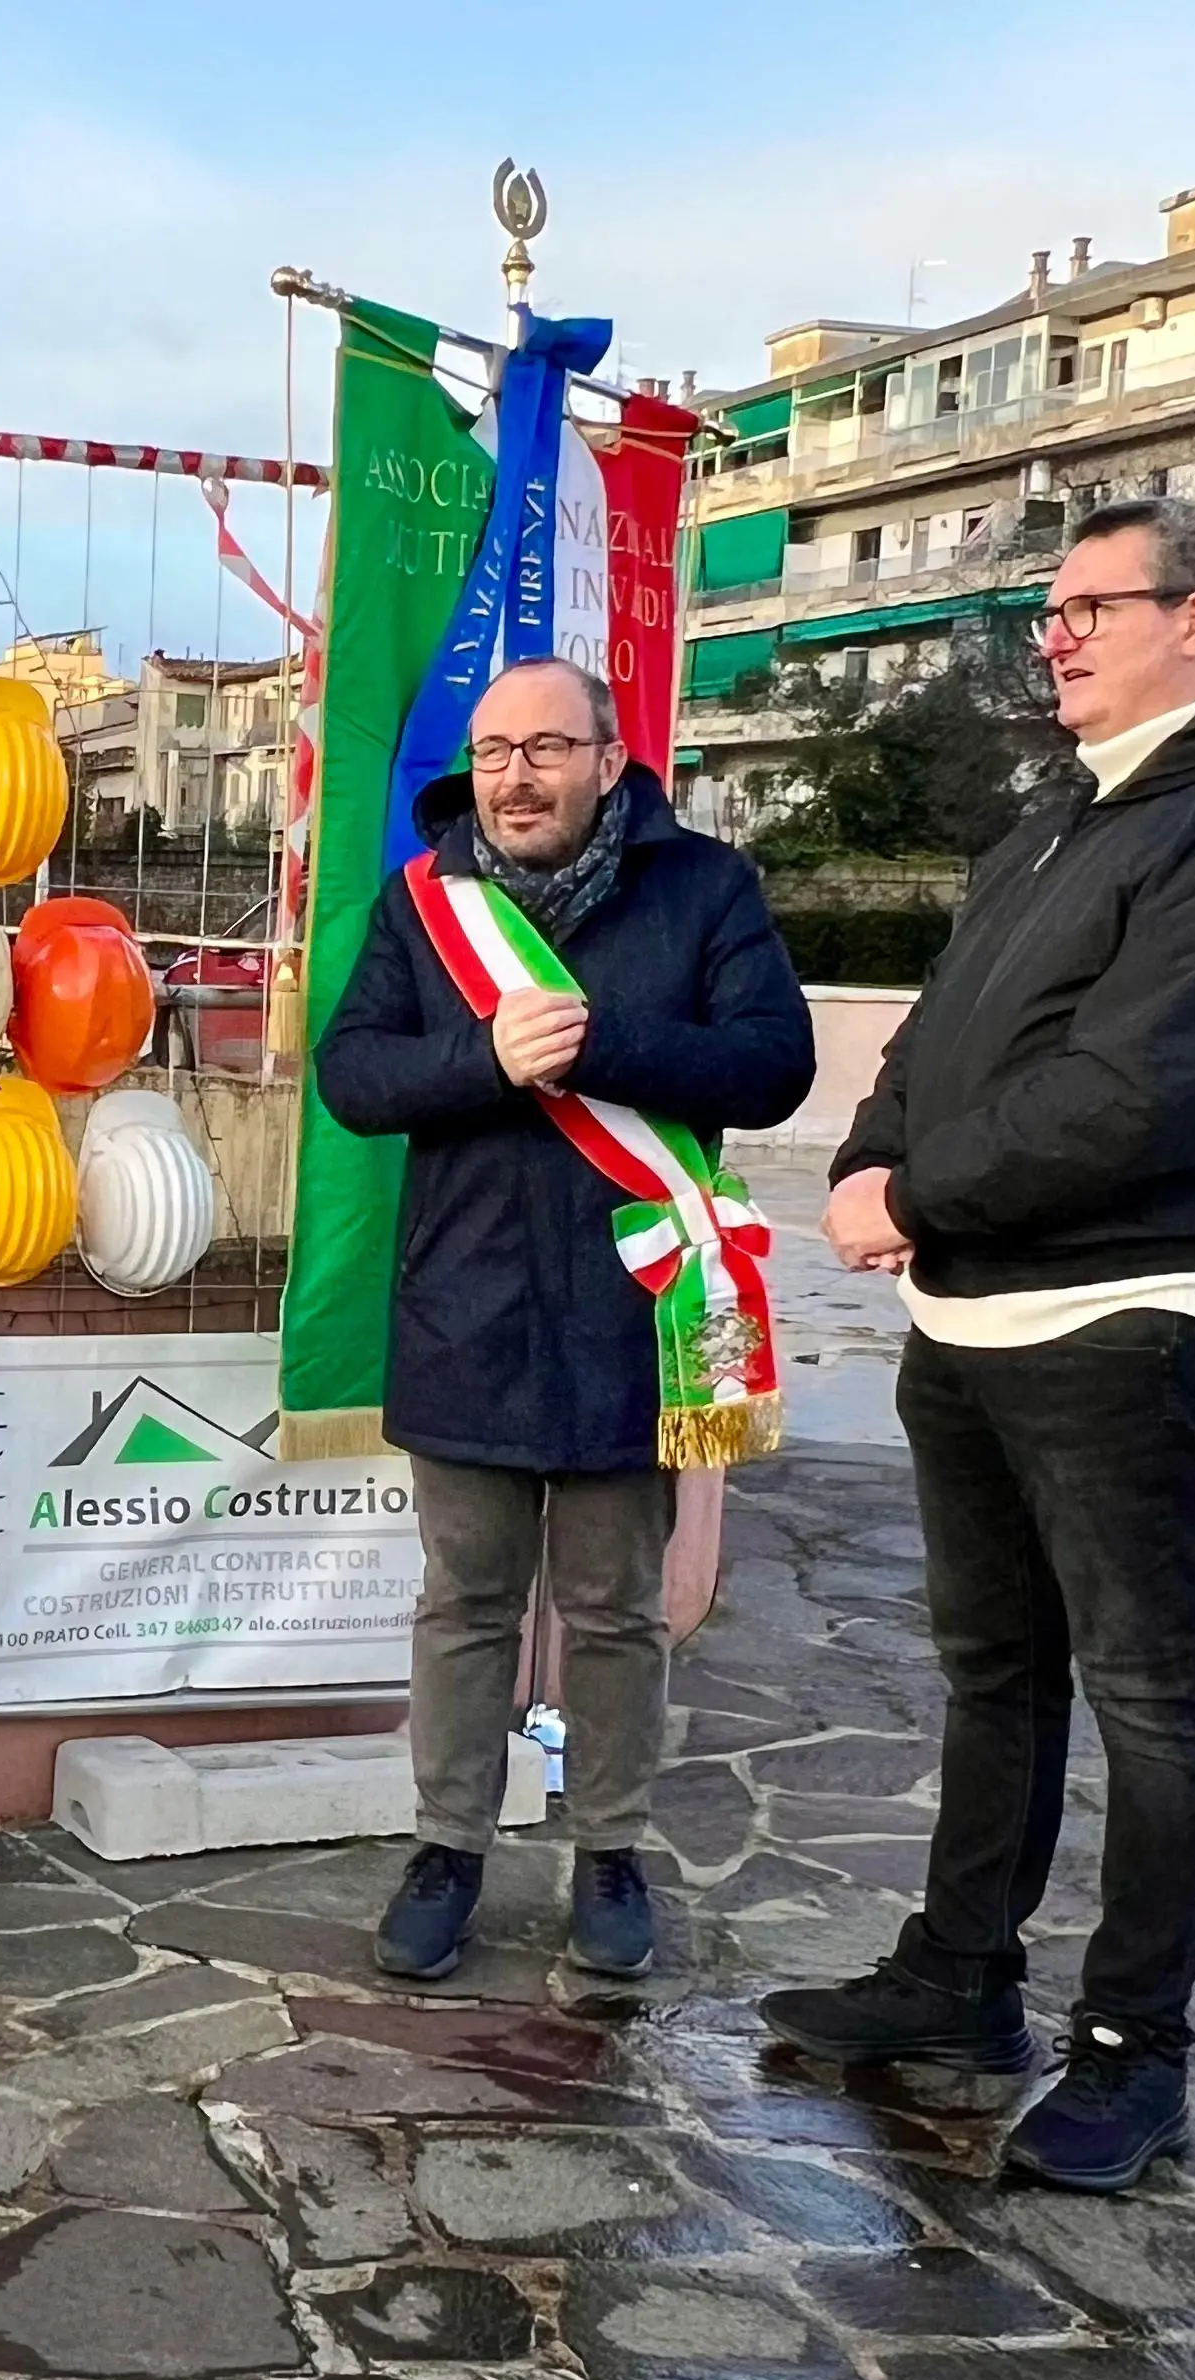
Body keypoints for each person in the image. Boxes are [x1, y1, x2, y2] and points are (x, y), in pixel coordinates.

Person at [758, 497, 1195, 2191]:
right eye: (1055, 607)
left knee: (1152, 1694)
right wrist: (876, 1155)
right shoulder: (1055, 818)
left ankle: (1135, 2050)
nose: (1060, 633)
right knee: (993, 1674)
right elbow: (943, 1031)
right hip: (969, 1314)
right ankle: (961, 1981)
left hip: (1126, 1318)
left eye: (1096, 603)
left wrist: (920, 1191)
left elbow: (1141, 1092)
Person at [318, 657, 815, 1981]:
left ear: (610, 758)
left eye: (547, 747)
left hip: (631, 1314)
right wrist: (485, 1058)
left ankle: (610, 1852)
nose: (517, 776)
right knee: (465, 1600)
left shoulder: (706, 890)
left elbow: (775, 1063)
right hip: (465, 1305)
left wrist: (605, 1046)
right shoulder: (424, 906)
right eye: (494, 753)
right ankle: (447, 1849)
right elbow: (353, 1073)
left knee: (612, 1607)